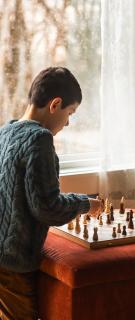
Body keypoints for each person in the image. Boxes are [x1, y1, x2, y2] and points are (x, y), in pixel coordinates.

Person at [0, 67, 102, 320]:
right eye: (70, 113)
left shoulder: (5, 131)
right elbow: (47, 207)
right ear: (55, 104)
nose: (68, 123)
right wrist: (86, 204)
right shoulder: (39, 139)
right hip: (14, 261)